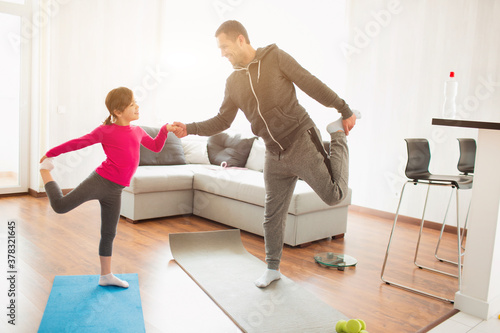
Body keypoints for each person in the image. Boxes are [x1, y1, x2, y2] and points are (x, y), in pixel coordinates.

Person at [170, 20, 360, 288]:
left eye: (225, 46)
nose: (222, 53)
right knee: (273, 213)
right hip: (274, 153)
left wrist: (344, 109)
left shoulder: (275, 58)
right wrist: (189, 128)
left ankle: (336, 134)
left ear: (240, 39)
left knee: (333, 195)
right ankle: (272, 269)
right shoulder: (233, 82)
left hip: (300, 140)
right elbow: (222, 120)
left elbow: (310, 83)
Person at [40, 87, 174, 288]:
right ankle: (44, 171)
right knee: (60, 206)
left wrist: (164, 130)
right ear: (118, 111)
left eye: (135, 102)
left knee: (109, 233)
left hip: (116, 189)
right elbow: (78, 143)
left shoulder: (137, 131)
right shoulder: (105, 131)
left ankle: (106, 275)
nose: (137, 106)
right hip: (100, 181)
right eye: (131, 104)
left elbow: (155, 147)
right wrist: (51, 153)